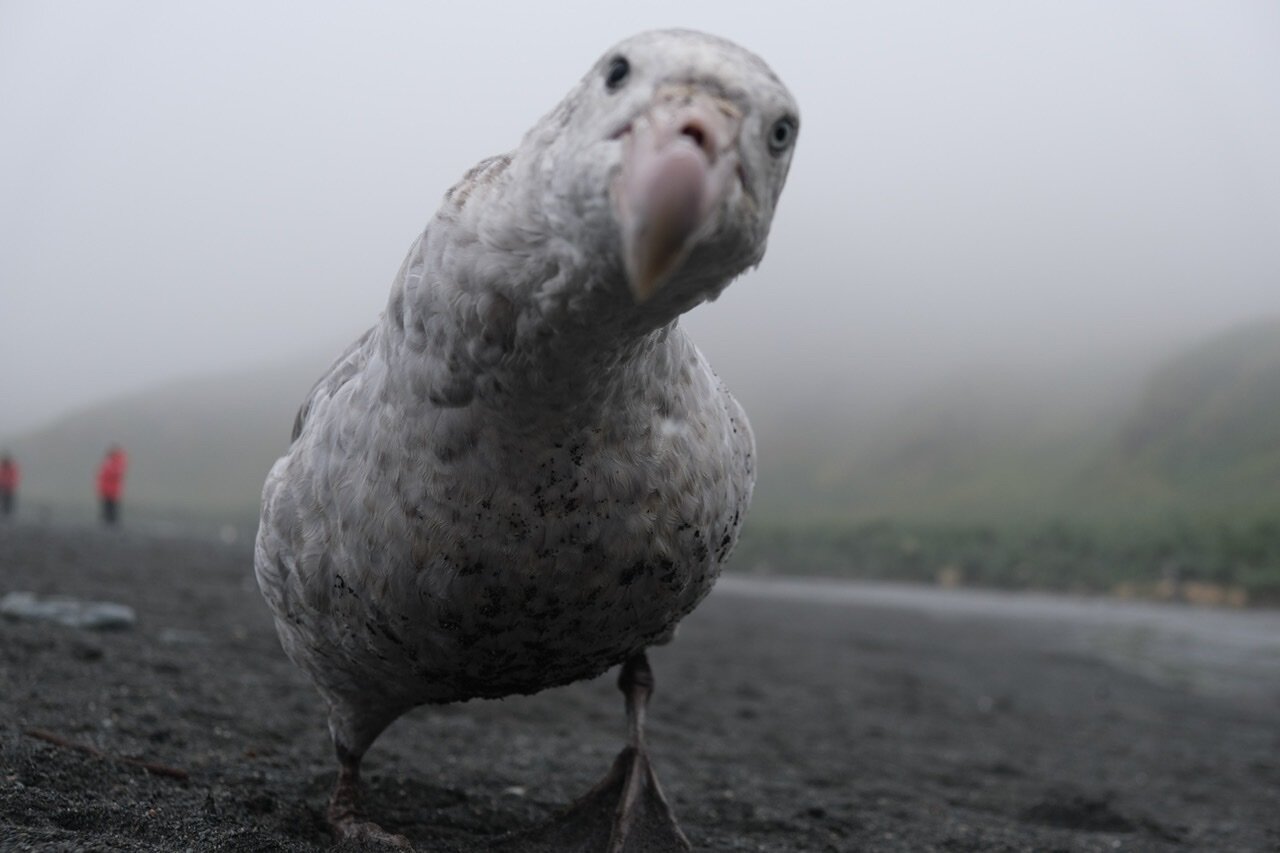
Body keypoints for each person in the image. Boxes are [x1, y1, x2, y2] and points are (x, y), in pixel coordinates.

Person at [97, 445, 128, 525]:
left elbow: (116, 474)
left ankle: (112, 522)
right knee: (107, 506)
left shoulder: (117, 462)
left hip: (112, 489)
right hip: (107, 488)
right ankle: (107, 521)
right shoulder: (111, 462)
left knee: (112, 506)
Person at [0, 454, 19, 519]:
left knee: (8, 501)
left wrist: (10, 485)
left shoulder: (11, 468)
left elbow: (13, 478)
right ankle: (5, 514)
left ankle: (8, 514)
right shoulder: (3, 468)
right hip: (4, 487)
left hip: (9, 488)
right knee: (4, 500)